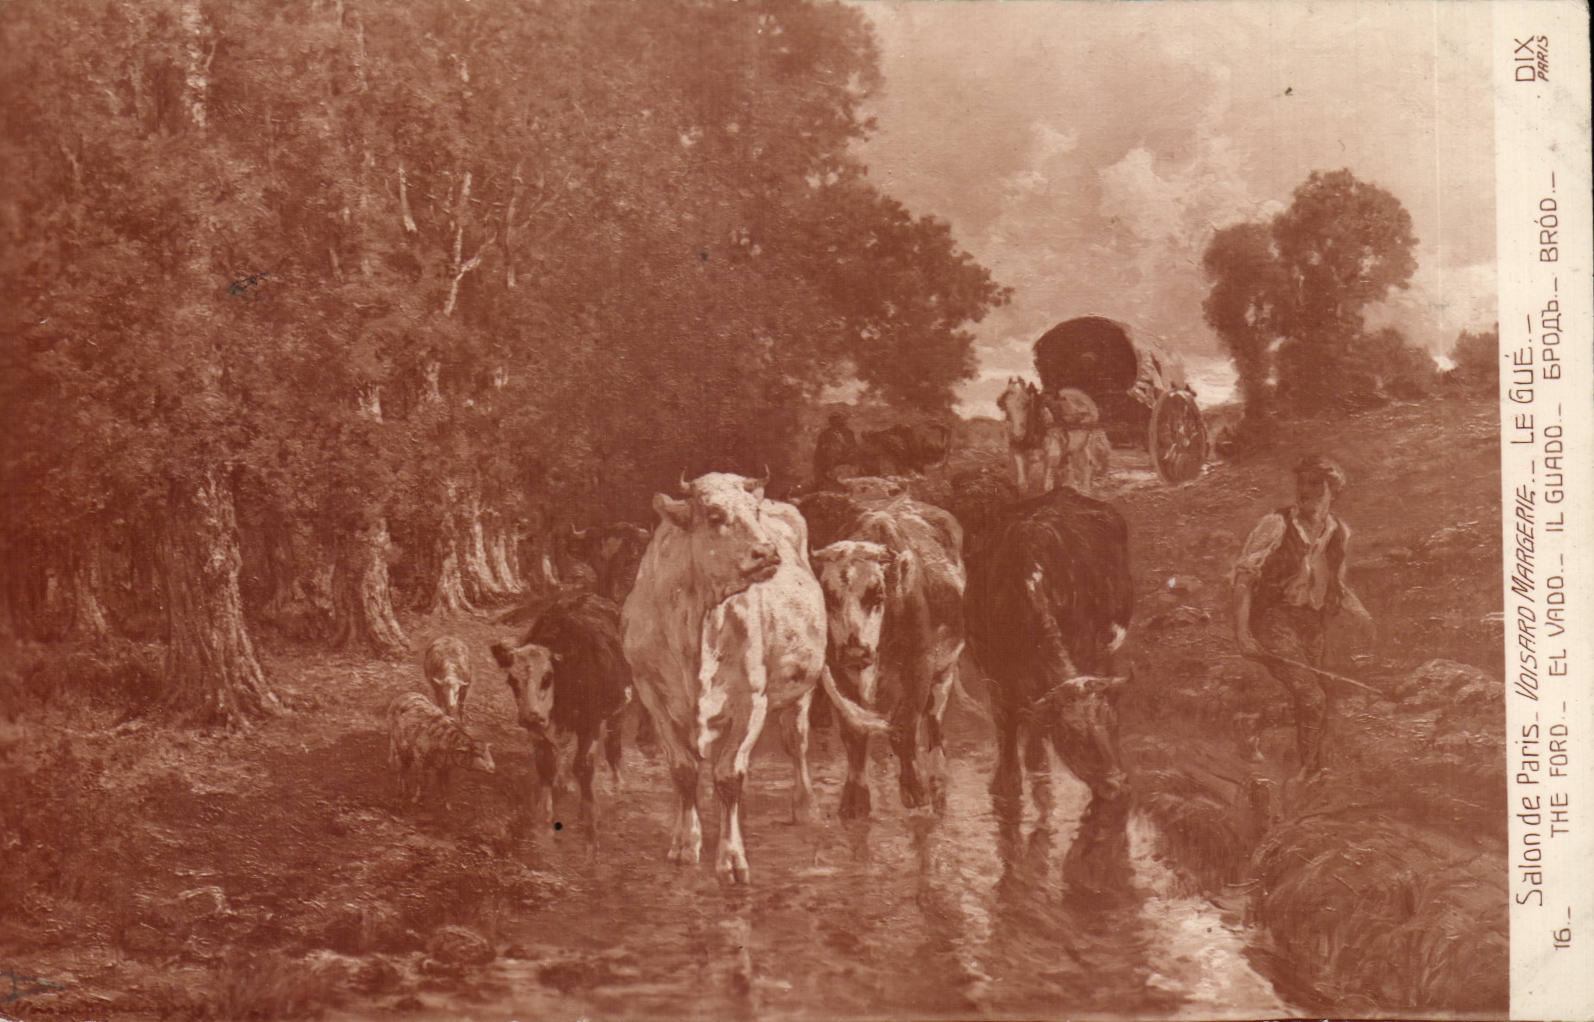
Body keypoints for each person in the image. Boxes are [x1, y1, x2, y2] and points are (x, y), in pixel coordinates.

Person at [1231, 454, 1374, 780]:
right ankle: (1311, 773)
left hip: (1311, 623)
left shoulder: (1340, 532)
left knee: (1313, 699)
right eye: (1302, 483)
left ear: (1333, 490)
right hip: (1272, 619)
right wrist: (1242, 634)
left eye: (1315, 485)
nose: (1305, 491)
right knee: (1312, 697)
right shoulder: (1276, 524)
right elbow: (1243, 579)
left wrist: (1363, 618)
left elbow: (1337, 582)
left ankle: (1254, 723)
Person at [812, 411, 857, 490]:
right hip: (831, 465)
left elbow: (854, 447)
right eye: (837, 420)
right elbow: (819, 454)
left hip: (847, 463)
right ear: (831, 421)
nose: (841, 422)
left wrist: (852, 460)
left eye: (842, 420)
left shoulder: (849, 433)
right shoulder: (825, 434)